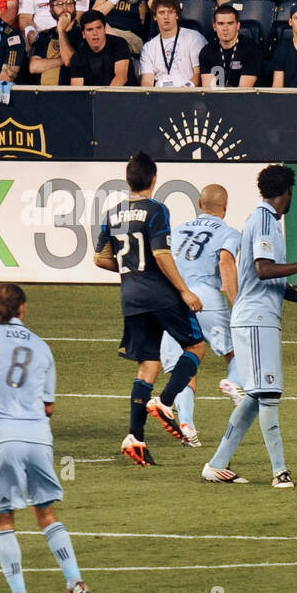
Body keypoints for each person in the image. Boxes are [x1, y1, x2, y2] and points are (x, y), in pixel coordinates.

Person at [0, 284, 91, 593]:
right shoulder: (42, 347)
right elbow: (49, 407)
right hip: (38, 438)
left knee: (3, 518)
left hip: (3, 439)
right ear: (24, 309)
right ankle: (75, 581)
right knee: (46, 514)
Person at [202, 166, 297, 487]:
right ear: (285, 191)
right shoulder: (262, 220)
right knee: (270, 392)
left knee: (257, 395)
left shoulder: (268, 221)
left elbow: (269, 276)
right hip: (255, 320)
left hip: (259, 319)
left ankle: (217, 464)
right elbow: (263, 270)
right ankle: (280, 472)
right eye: (291, 193)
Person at [93, 151, 208, 466]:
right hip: (160, 295)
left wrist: (130, 269)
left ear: (129, 180)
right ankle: (166, 402)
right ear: (154, 179)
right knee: (196, 345)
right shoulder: (157, 210)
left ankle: (135, 437)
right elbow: (160, 253)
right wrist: (184, 291)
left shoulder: (113, 212)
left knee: (148, 364)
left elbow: (100, 258)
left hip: (131, 297)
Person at [157, 183, 244, 447]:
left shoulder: (179, 230)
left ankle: (187, 424)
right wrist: (236, 301)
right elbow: (226, 261)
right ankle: (232, 381)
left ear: (199, 203)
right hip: (205, 296)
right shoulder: (230, 232)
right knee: (237, 350)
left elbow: (162, 260)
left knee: (187, 363)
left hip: (175, 297)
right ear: (225, 207)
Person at [139, 0, 204, 85]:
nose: (166, 17)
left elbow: (198, 75)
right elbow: (146, 82)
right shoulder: (149, 47)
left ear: (177, 15)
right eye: (161, 13)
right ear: (155, 17)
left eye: (170, 12)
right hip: (159, 96)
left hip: (188, 93)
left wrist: (183, 91)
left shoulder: (194, 38)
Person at [27, 0, 82, 83]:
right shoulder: (45, 35)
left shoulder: (82, 32)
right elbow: (34, 67)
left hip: (70, 93)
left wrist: (61, 30)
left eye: (69, 3)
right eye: (59, 4)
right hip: (43, 94)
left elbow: (69, 61)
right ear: (51, 10)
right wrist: (61, 60)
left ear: (75, 6)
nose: (65, 8)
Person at [198, 2, 263, 87]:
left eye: (230, 23)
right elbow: (208, 89)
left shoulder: (252, 50)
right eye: (220, 24)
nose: (225, 28)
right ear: (214, 27)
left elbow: (244, 90)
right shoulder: (206, 51)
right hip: (215, 98)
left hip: (244, 99)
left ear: (238, 26)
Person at [65, 8, 133, 83]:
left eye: (99, 28)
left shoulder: (119, 44)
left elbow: (121, 78)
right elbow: (77, 90)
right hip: (92, 94)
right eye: (90, 30)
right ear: (83, 34)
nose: (95, 33)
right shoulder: (78, 56)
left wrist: (105, 95)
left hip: (123, 93)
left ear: (104, 29)